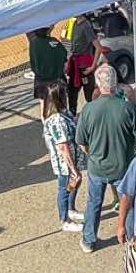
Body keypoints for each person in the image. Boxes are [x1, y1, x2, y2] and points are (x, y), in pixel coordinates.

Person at [74, 62, 136, 253]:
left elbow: (81, 141)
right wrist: (133, 144)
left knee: (93, 203)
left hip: (97, 166)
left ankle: (89, 240)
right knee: (128, 203)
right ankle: (132, 238)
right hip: (123, 166)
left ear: (98, 84)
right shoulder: (128, 108)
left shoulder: (88, 109)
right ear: (115, 83)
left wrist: (92, 154)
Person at [41, 82, 82, 234]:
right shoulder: (57, 119)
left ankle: (71, 210)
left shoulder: (63, 113)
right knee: (64, 189)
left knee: (74, 184)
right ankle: (65, 220)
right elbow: (63, 146)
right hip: (64, 163)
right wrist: (73, 168)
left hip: (72, 158)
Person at [26, 26, 67, 119]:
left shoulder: (34, 44)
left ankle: (46, 124)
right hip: (58, 79)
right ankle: (65, 120)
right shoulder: (54, 41)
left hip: (42, 80)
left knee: (44, 107)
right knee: (62, 105)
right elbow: (64, 55)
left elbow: (34, 63)